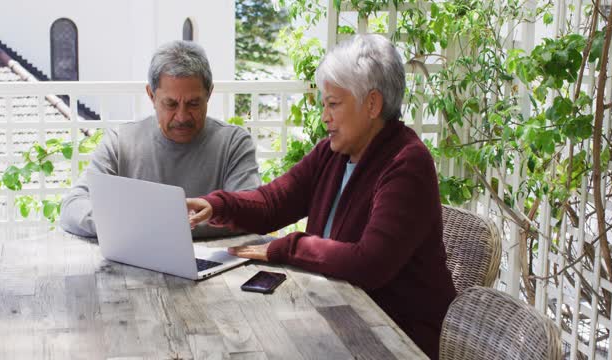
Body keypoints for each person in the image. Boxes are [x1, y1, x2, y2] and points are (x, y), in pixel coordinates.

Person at [186, 34, 455, 359]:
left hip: (392, 339)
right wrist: (217, 205)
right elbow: (274, 202)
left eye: (334, 104)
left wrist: (285, 247)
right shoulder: (333, 153)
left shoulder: (407, 164)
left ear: (372, 104)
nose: (325, 116)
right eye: (324, 105)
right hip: (333, 319)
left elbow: (370, 263)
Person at [60, 40, 260, 238]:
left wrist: (141, 225)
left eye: (193, 103)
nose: (182, 116)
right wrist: (132, 225)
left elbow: (251, 211)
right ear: (151, 95)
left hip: (216, 265)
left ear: (209, 94)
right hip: (136, 263)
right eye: (171, 104)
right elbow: (73, 206)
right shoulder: (120, 143)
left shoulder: (233, 143)